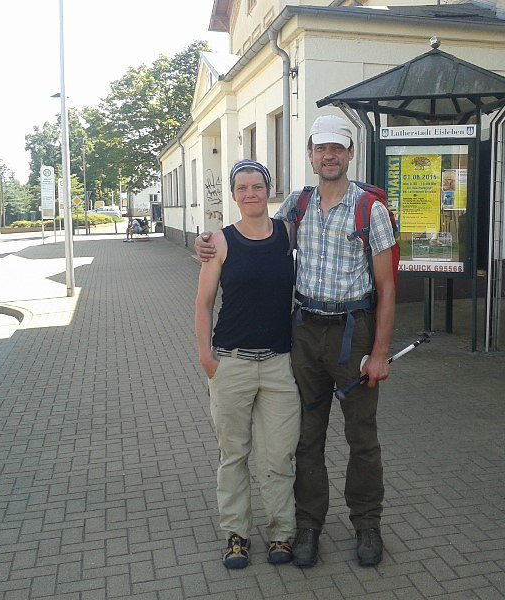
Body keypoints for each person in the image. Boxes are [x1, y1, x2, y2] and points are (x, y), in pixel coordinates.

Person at [196, 114, 396, 568]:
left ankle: (367, 525)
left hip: (353, 333)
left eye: (337, 149)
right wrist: (204, 241)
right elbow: (253, 230)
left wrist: (381, 351)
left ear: (350, 154)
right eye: (321, 149)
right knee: (307, 437)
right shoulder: (297, 207)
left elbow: (387, 287)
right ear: (310, 156)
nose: (329, 156)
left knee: (362, 436)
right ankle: (305, 527)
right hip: (303, 334)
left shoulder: (372, 211)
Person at [194, 160, 300, 570]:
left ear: (268, 191)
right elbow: (203, 306)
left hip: (278, 366)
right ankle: (236, 535)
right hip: (232, 365)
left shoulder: (287, 235)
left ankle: (280, 534)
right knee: (233, 455)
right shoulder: (219, 242)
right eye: (243, 187)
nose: (251, 193)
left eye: (258, 186)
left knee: (277, 457)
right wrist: (207, 359)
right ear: (234, 195)